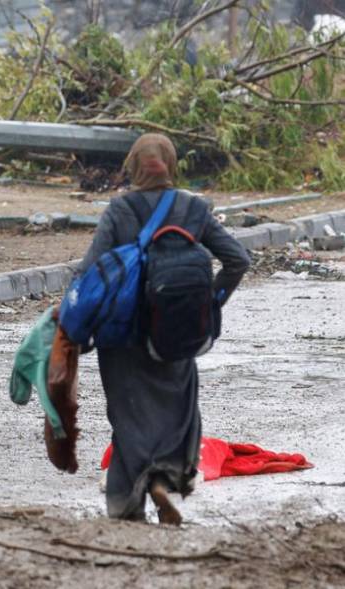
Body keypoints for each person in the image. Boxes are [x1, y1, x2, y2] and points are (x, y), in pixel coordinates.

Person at [79, 133, 250, 525]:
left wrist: (70, 319)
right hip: (175, 330)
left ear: (133, 166)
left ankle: (127, 501)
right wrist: (208, 305)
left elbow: (90, 269)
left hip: (120, 334)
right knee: (177, 411)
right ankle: (164, 480)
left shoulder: (119, 209)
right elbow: (238, 259)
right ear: (171, 165)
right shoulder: (194, 208)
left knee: (127, 414)